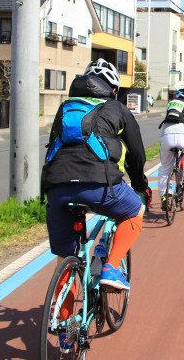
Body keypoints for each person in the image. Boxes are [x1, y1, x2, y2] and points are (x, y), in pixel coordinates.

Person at [41, 59, 151, 292]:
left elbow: (53, 146)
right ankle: (111, 269)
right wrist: (141, 187)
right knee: (134, 213)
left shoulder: (65, 108)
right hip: (101, 187)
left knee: (64, 258)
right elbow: (136, 154)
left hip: (57, 187)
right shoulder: (117, 108)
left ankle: (63, 324)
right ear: (113, 89)